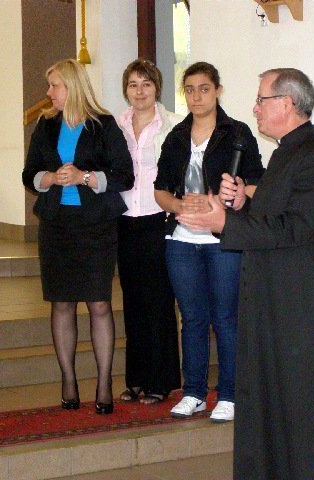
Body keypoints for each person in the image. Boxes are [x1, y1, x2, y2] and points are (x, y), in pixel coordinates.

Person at [178, 68, 314, 478]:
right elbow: (275, 218)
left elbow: (297, 228)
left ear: (287, 104)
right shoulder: (286, 153)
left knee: (306, 406)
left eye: (261, 99)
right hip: (279, 299)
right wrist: (242, 206)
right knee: (278, 400)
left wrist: (225, 223)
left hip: (303, 304)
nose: (254, 108)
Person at [22, 59, 134, 415]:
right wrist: (50, 178)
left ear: (71, 87)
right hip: (56, 224)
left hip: (95, 225)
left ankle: (104, 382)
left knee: (99, 304)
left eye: (54, 85)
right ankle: (68, 379)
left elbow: (124, 175)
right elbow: (29, 174)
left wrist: (84, 177)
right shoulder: (46, 125)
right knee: (61, 303)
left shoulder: (104, 125)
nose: (49, 92)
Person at [154, 62, 263, 423]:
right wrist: (179, 205)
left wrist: (227, 198)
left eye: (203, 88)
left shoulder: (238, 133)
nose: (196, 96)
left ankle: (229, 394)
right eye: (189, 89)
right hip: (181, 240)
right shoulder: (175, 135)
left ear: (217, 90)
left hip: (223, 239)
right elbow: (160, 190)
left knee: (225, 318)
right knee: (192, 318)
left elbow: (256, 184)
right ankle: (194, 393)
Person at [116, 59, 182, 405]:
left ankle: (162, 380)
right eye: (133, 84)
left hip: (159, 219)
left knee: (158, 301)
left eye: (146, 84)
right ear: (125, 90)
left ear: (157, 88)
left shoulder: (173, 125)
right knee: (132, 302)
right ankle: (137, 378)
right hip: (125, 220)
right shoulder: (116, 125)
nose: (139, 91)